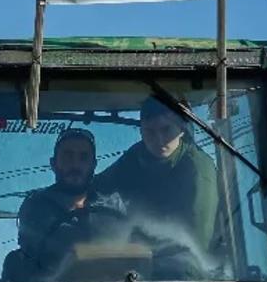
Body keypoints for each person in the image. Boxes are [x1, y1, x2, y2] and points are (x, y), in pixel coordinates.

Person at [92, 96, 221, 257]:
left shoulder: (198, 170)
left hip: (184, 262)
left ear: (181, 128)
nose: (158, 140)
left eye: (166, 130)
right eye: (150, 132)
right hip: (141, 257)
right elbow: (96, 188)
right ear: (141, 131)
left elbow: (197, 243)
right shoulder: (136, 156)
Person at [2, 127, 98, 282]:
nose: (75, 164)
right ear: (53, 164)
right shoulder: (36, 207)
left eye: (83, 157)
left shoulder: (112, 205)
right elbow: (36, 255)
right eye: (68, 157)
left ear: (93, 164)